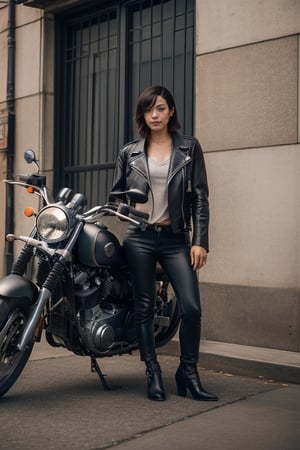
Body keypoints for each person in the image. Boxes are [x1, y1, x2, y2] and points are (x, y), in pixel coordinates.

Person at [110, 85, 218, 402]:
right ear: (142, 115)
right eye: (148, 109)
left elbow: (200, 198)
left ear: (171, 111)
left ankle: (188, 372)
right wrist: (128, 209)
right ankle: (153, 372)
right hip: (139, 238)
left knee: (192, 308)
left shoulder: (189, 148)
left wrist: (200, 242)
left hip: (175, 238)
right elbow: (115, 198)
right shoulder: (129, 152)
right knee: (144, 308)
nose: (154, 115)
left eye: (160, 108)